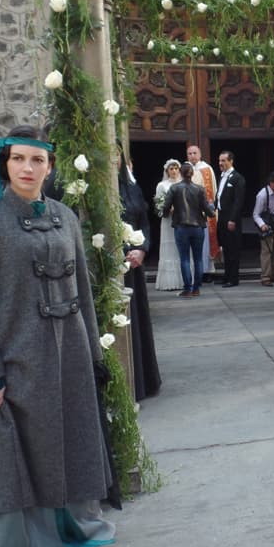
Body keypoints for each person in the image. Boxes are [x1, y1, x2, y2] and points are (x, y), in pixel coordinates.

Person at [0, 128, 115, 547]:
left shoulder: (66, 217)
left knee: (68, 439)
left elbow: (82, 290)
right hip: (18, 357)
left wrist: (93, 353)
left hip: (70, 354)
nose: (28, 168)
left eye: (37, 160)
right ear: (4, 165)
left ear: (50, 166)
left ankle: (70, 524)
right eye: (18, 159)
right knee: (20, 452)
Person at [118, 147, 161, 401]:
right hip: (110, 263)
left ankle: (143, 381)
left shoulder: (132, 188)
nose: (113, 159)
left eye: (117, 154)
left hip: (134, 264)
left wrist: (142, 249)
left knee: (136, 320)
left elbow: (144, 222)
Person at [162, 161, 216, 298]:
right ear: (192, 174)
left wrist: (166, 214)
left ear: (180, 173)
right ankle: (196, 288)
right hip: (198, 227)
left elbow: (166, 207)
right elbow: (207, 209)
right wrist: (211, 212)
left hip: (181, 227)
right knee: (198, 259)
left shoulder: (174, 188)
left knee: (185, 259)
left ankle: (187, 289)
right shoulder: (199, 189)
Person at [186, 144, 218, 280]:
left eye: (195, 153)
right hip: (189, 212)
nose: (192, 156)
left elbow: (212, 190)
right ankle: (193, 271)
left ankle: (207, 271)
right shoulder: (184, 168)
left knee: (205, 243)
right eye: (190, 153)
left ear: (199, 154)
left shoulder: (206, 168)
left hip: (203, 212)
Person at [216, 151, 246, 287]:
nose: (220, 163)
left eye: (223, 160)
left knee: (233, 249)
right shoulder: (222, 177)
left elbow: (238, 201)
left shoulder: (238, 178)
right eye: (220, 160)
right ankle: (226, 276)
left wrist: (232, 219)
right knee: (225, 248)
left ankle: (233, 279)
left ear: (231, 161)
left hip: (231, 219)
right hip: (222, 217)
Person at [153, 159, 184, 291]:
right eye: (171, 169)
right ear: (167, 171)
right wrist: (167, 209)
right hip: (168, 221)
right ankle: (169, 282)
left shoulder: (183, 183)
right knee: (169, 247)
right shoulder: (162, 185)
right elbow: (158, 205)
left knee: (181, 248)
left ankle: (183, 280)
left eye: (176, 168)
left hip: (182, 220)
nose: (174, 171)